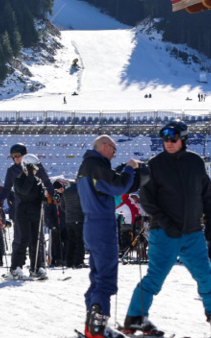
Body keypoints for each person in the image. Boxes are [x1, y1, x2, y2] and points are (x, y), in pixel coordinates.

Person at [124, 120, 211, 338]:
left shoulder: (195, 162)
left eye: (174, 138)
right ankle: (135, 318)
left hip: (192, 233)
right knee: (154, 278)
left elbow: (206, 196)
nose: (169, 142)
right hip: (164, 234)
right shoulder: (154, 164)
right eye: (165, 138)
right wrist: (167, 225)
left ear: (183, 139)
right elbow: (147, 200)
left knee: (206, 276)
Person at [75, 135, 136, 338]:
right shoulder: (95, 165)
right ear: (105, 146)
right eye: (114, 150)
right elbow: (118, 187)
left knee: (97, 277)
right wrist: (129, 169)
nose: (114, 154)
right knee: (106, 278)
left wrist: (118, 171)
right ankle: (97, 329)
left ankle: (92, 325)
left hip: (91, 223)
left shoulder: (86, 166)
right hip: (102, 224)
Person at [9, 154, 48, 280]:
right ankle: (16, 267)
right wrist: (30, 175)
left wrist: (42, 198)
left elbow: (36, 196)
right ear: (27, 168)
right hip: (23, 215)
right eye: (33, 168)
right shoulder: (18, 180)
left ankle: (36, 267)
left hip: (35, 214)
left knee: (36, 241)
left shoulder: (37, 181)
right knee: (23, 240)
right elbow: (25, 191)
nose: (36, 170)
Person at [60, 177, 86, 268]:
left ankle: (69, 261)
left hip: (68, 219)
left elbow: (62, 207)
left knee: (70, 241)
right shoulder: (82, 191)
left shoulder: (66, 191)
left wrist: (69, 212)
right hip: (79, 219)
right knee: (80, 241)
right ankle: (79, 261)